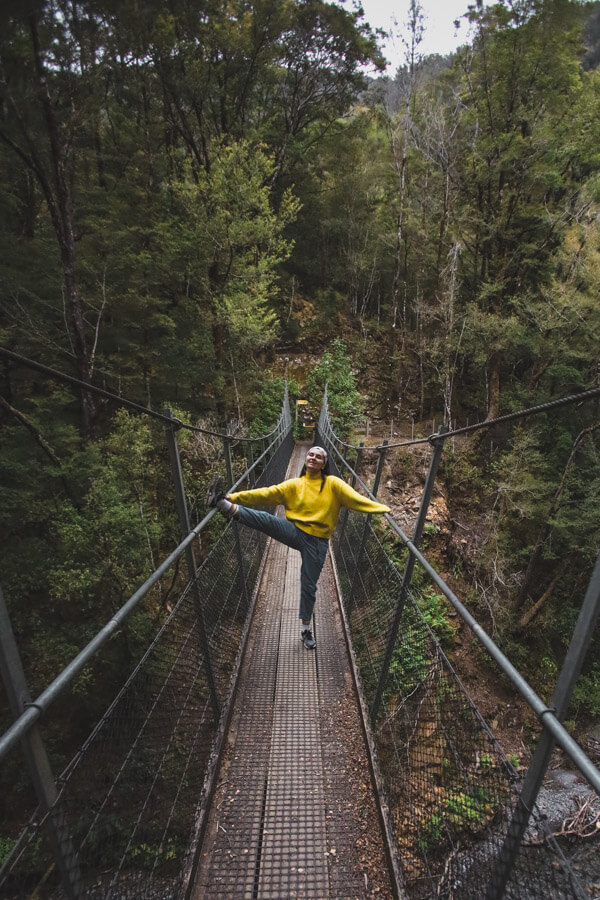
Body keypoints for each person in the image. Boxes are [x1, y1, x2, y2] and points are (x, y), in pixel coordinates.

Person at [207, 445, 390, 650]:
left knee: (308, 586)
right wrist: (235, 496)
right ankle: (224, 504)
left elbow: (355, 500)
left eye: (318, 457)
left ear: (324, 464)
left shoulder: (333, 484)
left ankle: (305, 630)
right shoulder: (295, 485)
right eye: (310, 454)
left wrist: (382, 509)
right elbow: (266, 494)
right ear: (305, 459)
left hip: (318, 543)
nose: (312, 458)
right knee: (267, 519)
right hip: (296, 533)